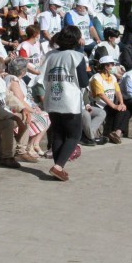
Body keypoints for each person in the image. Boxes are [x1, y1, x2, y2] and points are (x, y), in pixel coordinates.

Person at [39, 26, 89, 181]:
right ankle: (58, 166)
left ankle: (58, 167)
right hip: (70, 101)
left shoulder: (50, 55)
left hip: (53, 99)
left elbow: (43, 77)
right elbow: (83, 82)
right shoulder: (77, 56)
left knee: (58, 133)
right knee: (74, 135)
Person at [0, 56, 37, 168]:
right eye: (4, 67)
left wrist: (23, 109)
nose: (5, 69)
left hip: (3, 114)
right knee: (8, 123)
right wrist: (13, 116)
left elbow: (9, 97)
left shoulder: (0, 81)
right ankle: (7, 157)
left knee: (25, 115)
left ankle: (20, 151)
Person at [6, 57, 50, 158]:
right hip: (15, 110)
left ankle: (34, 144)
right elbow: (19, 101)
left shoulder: (19, 80)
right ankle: (29, 146)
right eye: (25, 68)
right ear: (22, 70)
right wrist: (33, 110)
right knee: (41, 117)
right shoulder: (13, 80)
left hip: (22, 108)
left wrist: (34, 107)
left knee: (45, 115)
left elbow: (26, 99)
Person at [90, 56, 128, 144]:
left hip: (109, 104)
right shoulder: (96, 78)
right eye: (111, 64)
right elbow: (101, 95)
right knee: (114, 110)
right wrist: (114, 106)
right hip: (99, 105)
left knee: (125, 110)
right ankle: (112, 133)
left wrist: (121, 103)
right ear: (106, 66)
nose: (113, 66)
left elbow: (118, 91)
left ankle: (116, 133)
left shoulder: (113, 77)